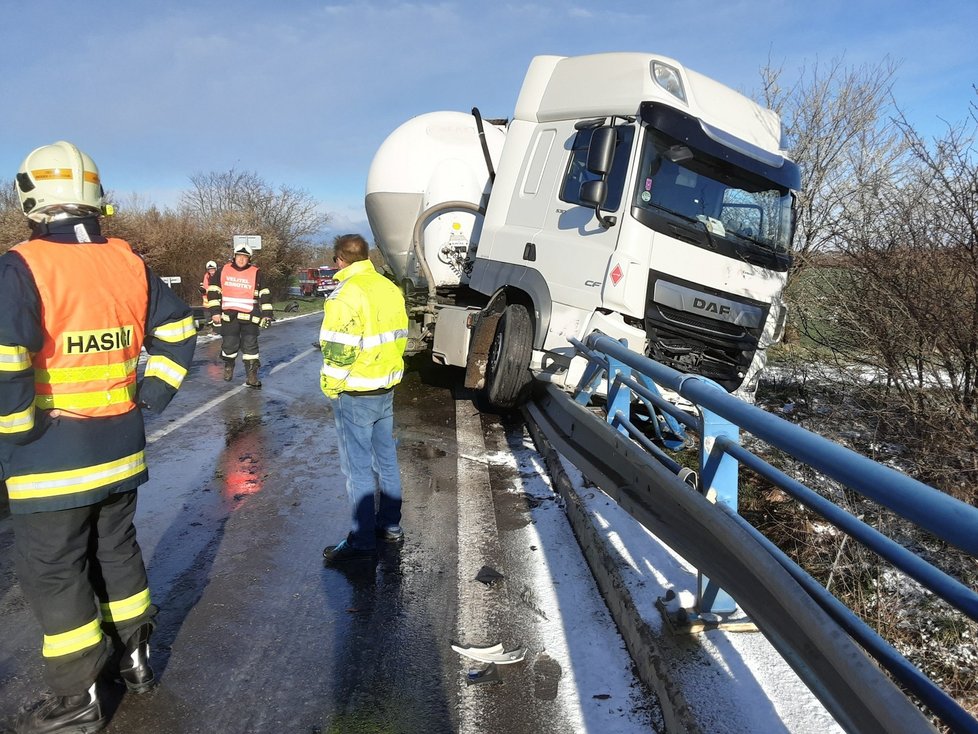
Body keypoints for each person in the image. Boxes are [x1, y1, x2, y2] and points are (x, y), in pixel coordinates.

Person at [0, 141, 197, 733]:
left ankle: (78, 698)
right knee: (116, 551)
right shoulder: (128, 261)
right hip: (121, 447)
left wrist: (16, 432)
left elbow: (8, 359)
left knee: (54, 570)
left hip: (48, 454)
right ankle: (135, 661)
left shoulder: (21, 265)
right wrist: (150, 395)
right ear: (96, 196)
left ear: (28, 197)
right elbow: (180, 328)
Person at [320, 234, 409, 565]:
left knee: (356, 468)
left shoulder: (344, 296)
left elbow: (337, 352)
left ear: (340, 259)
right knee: (386, 460)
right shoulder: (389, 288)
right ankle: (391, 526)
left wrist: (331, 388)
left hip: (355, 393)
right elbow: (400, 339)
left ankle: (362, 541)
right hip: (385, 388)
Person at [207, 242, 272, 388]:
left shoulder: (256, 272)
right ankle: (229, 366)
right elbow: (212, 291)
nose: (241, 260)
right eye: (239, 256)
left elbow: (265, 294)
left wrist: (267, 314)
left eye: (245, 257)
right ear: (234, 257)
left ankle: (252, 377)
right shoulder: (223, 270)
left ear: (249, 259)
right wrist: (215, 312)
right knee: (230, 345)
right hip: (230, 316)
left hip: (250, 317)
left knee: (251, 348)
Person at [199, 259, 218, 325]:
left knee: (216, 317)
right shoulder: (206, 277)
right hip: (207, 303)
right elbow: (205, 287)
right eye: (210, 270)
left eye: (213, 269)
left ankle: (216, 330)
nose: (211, 271)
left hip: (216, 302)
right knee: (208, 317)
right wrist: (202, 290)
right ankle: (212, 328)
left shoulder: (219, 277)